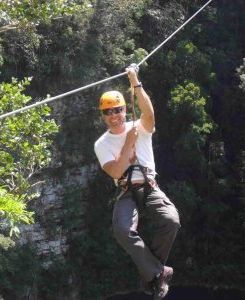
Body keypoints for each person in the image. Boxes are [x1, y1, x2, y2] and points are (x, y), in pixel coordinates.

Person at [94, 66, 180, 299]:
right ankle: (157, 272)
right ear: (103, 115)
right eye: (109, 111)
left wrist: (135, 82)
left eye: (119, 110)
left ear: (124, 109)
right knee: (122, 230)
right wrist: (127, 146)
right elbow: (115, 172)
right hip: (127, 191)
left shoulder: (139, 127)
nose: (114, 115)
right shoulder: (101, 144)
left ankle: (152, 273)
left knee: (170, 220)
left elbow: (149, 113)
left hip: (149, 186)